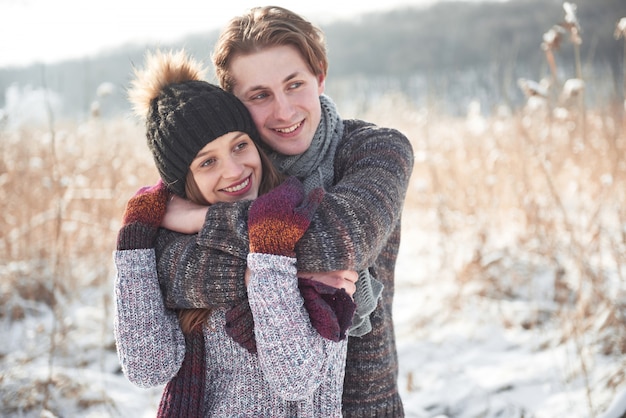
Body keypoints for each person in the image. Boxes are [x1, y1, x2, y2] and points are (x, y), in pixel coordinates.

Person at [140, 6, 414, 416]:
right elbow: (165, 272)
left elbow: (338, 243)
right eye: (260, 95)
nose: (284, 111)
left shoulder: (376, 150)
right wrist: (275, 274)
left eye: (294, 84)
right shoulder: (226, 169)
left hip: (359, 402)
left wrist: (204, 222)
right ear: (234, 103)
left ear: (320, 76)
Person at [113, 49, 357, 417]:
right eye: (208, 162)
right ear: (185, 181)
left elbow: (297, 378)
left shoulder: (303, 220)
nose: (233, 170)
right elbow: (148, 367)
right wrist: (133, 244)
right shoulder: (172, 250)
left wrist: (265, 264)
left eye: (240, 145)